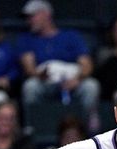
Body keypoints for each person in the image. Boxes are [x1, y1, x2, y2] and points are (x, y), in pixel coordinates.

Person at [16, 0, 101, 132]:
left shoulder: (70, 36)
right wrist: (41, 74)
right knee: (30, 86)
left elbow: (87, 65)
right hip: (45, 81)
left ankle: (86, 131)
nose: (29, 20)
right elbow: (29, 68)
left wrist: (77, 79)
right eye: (27, 17)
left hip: (72, 80)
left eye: (32, 16)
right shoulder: (26, 39)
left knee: (91, 86)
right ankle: (33, 129)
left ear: (46, 15)